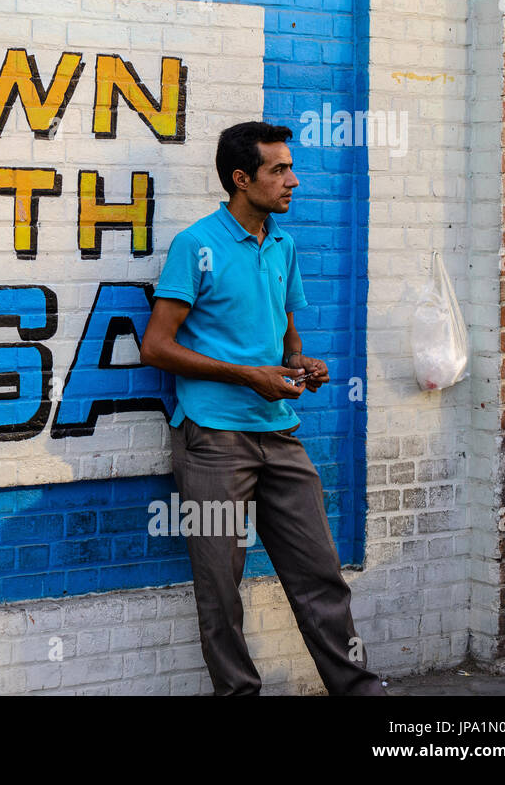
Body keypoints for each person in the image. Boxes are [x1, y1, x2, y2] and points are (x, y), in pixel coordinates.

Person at [139, 121, 385, 696]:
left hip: (279, 433)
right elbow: (157, 346)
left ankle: (361, 692)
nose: (293, 180)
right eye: (278, 170)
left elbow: (287, 337)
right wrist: (246, 375)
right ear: (241, 179)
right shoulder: (195, 245)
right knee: (221, 589)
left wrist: (303, 364)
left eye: (290, 168)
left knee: (320, 575)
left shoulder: (283, 245)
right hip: (214, 442)